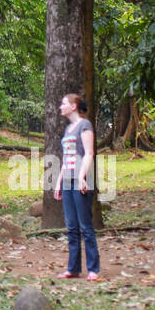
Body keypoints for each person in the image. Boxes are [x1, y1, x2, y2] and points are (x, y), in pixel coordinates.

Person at [53, 92, 100, 281]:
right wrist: (58, 182)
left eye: (63, 103)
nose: (60, 107)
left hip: (81, 182)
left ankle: (93, 269)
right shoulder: (68, 129)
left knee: (85, 226)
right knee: (71, 227)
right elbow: (67, 158)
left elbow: (89, 153)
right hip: (67, 182)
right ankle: (73, 268)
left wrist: (81, 176)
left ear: (73, 106)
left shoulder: (85, 125)